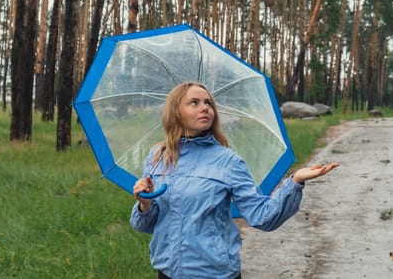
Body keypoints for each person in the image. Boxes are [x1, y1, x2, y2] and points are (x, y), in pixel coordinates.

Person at [130, 81, 338, 279]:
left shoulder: (228, 161)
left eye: (208, 103)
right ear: (175, 111)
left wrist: (295, 182)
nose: (205, 108)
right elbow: (146, 225)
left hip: (213, 272)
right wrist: (144, 203)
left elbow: (262, 215)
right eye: (194, 102)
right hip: (167, 271)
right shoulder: (158, 157)